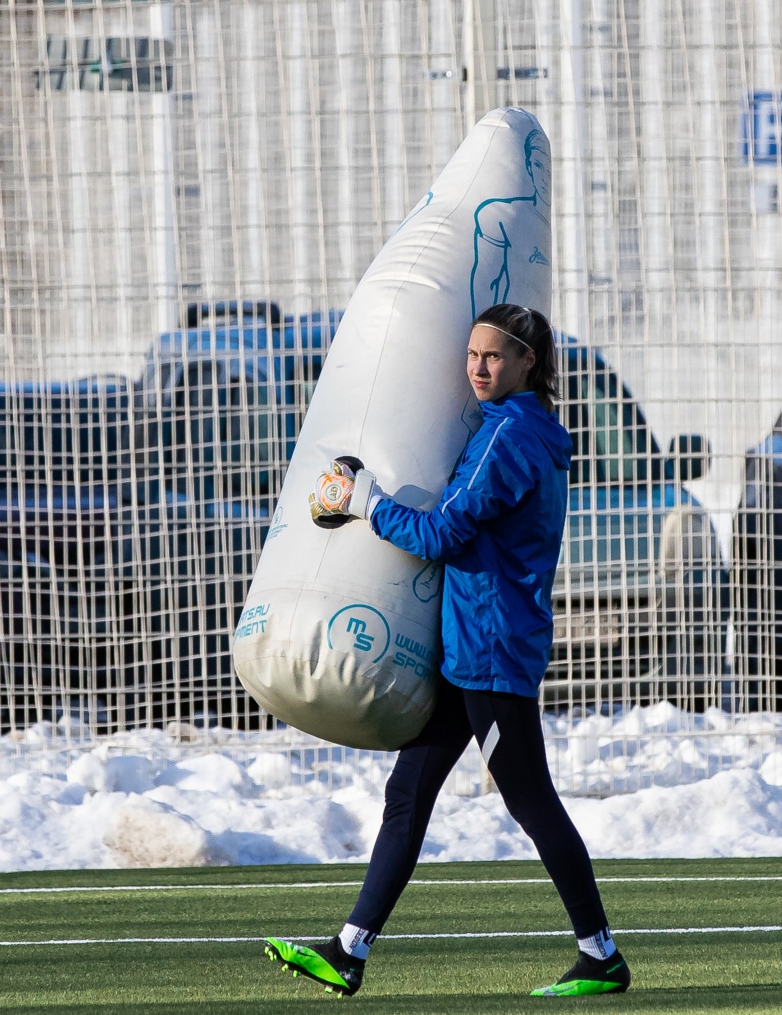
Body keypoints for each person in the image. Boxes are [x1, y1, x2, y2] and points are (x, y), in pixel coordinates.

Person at [264, 303, 630, 999]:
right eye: (471, 355)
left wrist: (365, 502)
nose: (477, 367)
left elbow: (439, 534)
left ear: (528, 361)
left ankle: (601, 953)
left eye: (493, 355)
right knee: (407, 793)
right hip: (471, 646)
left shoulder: (511, 435)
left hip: (489, 649)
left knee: (530, 802)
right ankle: (348, 950)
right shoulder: (510, 428)